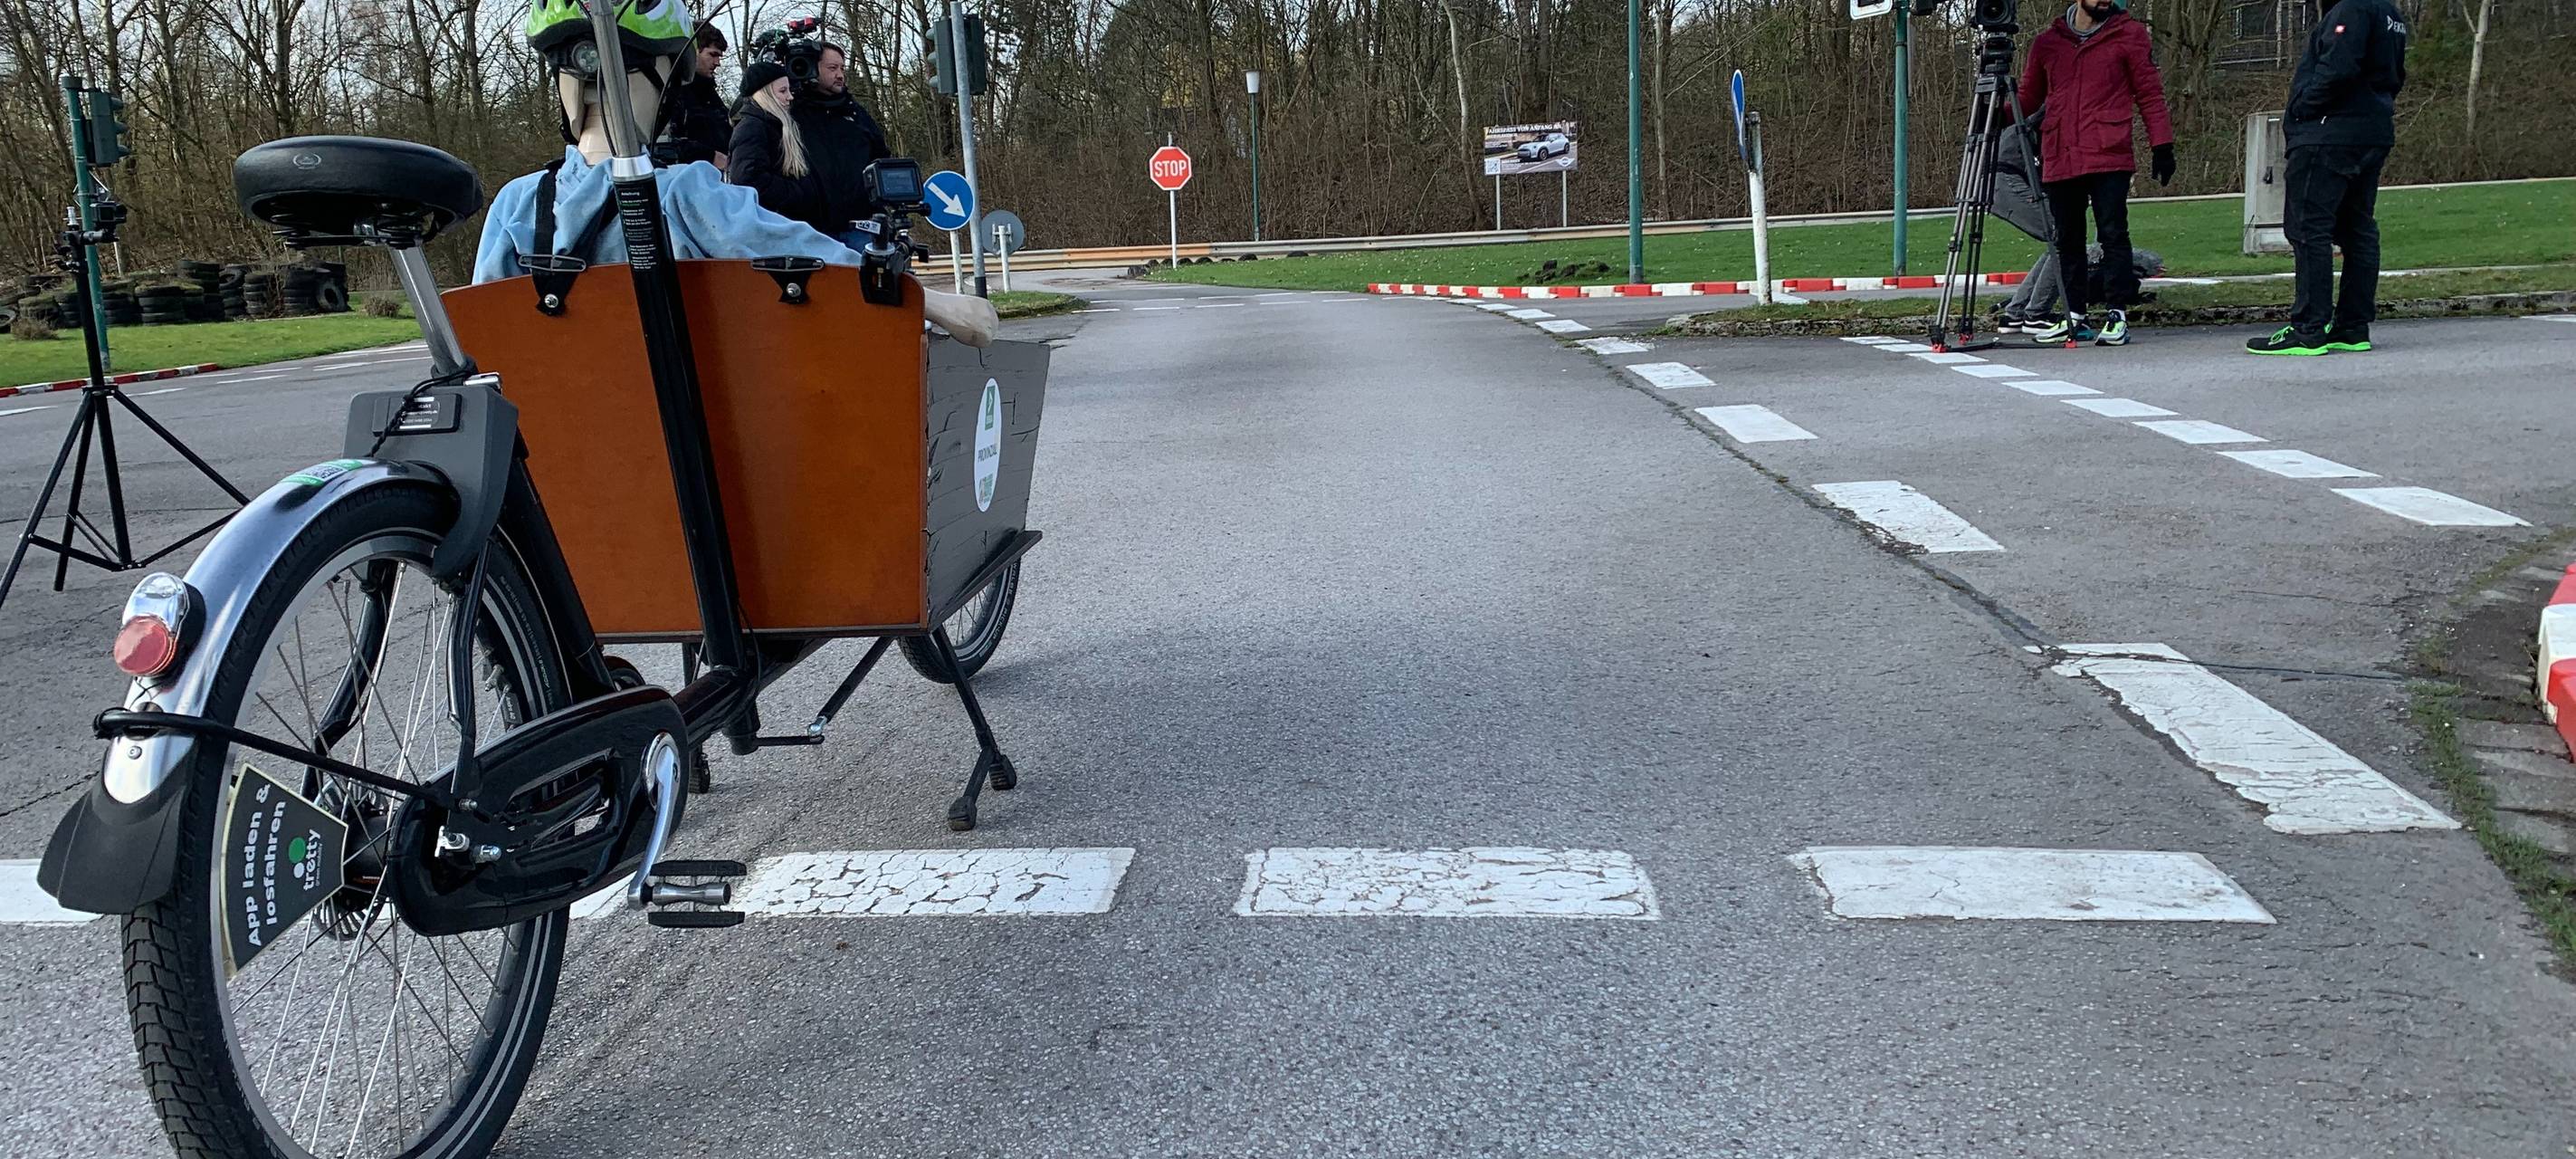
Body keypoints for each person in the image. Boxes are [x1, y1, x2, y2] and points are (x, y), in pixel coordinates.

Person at [474, 0, 994, 344]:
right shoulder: (685, 192)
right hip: (687, 450)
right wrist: (936, 303)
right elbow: (800, 250)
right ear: (668, 79)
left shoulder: (518, 203)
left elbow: (486, 334)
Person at [2247, 0, 2409, 356]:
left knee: (2308, 227)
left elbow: (2339, 67)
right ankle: (2352, 326)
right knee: (2357, 228)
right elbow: (2395, 74)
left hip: (2329, 132)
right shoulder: (2390, 14)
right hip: (2372, 129)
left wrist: (2303, 107)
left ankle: (2308, 326)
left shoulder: (2350, 10)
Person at [2017, 0, 2174, 347]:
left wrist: (2162, 144)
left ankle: (2116, 313)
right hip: (2061, 153)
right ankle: (2075, 314)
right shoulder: (2048, 43)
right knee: (2067, 239)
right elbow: (2029, 99)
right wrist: (1997, 105)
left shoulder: (2129, 35)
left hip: (2108, 151)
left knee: (2113, 234)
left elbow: (2149, 93)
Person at [728, 39, 892, 247]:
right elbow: (750, 177)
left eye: (842, 68)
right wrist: (800, 195)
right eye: (832, 68)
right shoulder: (783, 118)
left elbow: (882, 160)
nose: (840, 74)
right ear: (813, 68)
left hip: (859, 228)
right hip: (808, 232)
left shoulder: (856, 114)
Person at [657, 20, 733, 170]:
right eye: (712, 55)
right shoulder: (670, 92)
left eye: (720, 57)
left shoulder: (710, 93)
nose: (718, 62)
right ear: (692, 51)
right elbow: (663, 143)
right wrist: (710, 156)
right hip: (686, 180)